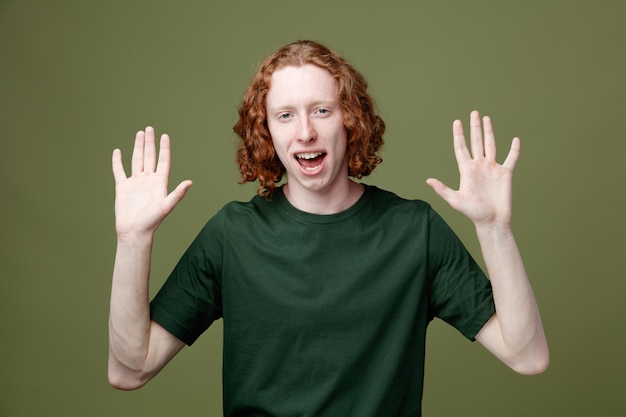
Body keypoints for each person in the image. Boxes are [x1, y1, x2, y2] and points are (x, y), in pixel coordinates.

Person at [108, 40, 549, 416]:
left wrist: (495, 229)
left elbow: (527, 355)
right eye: (285, 116)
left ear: (350, 120)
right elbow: (129, 369)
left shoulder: (415, 231)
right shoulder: (231, 235)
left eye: (321, 110)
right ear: (267, 132)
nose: (305, 132)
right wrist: (133, 241)